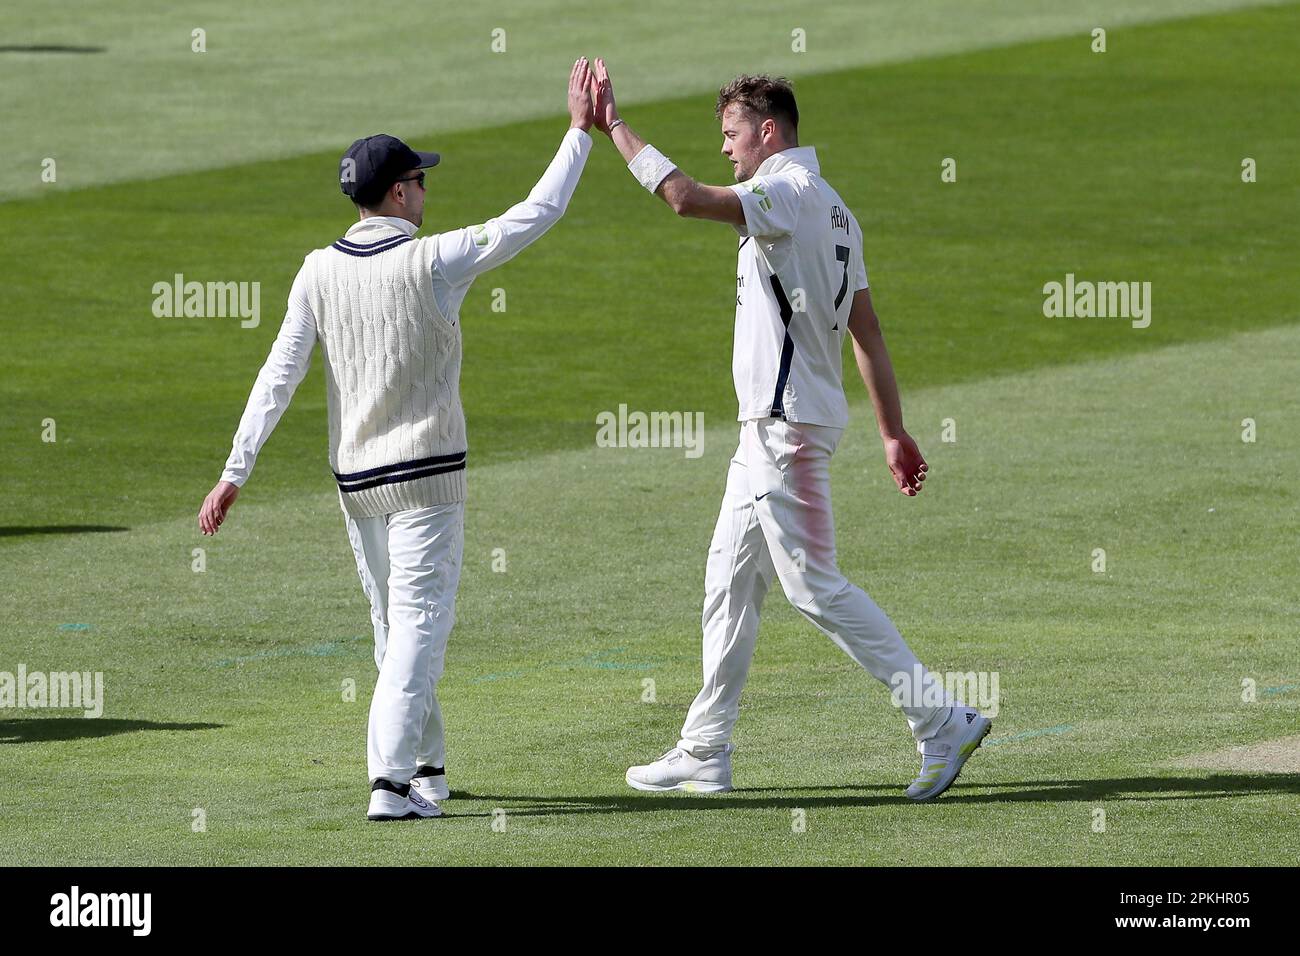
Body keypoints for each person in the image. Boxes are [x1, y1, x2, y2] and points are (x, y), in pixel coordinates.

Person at [198, 59, 597, 820]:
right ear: (400, 192)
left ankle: (428, 769)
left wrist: (233, 472)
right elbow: (535, 213)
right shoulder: (432, 259)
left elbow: (276, 377)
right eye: (421, 181)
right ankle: (388, 783)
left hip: (359, 484)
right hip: (427, 476)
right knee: (417, 629)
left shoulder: (317, 270)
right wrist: (578, 132)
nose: (427, 192)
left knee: (394, 631)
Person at [588, 60, 991, 800]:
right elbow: (866, 330)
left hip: (786, 427)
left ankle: (940, 719)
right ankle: (705, 750)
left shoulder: (780, 192)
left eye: (732, 133)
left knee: (813, 586)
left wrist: (613, 125)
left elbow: (683, 200)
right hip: (774, 428)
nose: (726, 148)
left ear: (769, 133)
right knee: (730, 579)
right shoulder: (836, 208)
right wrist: (892, 431)